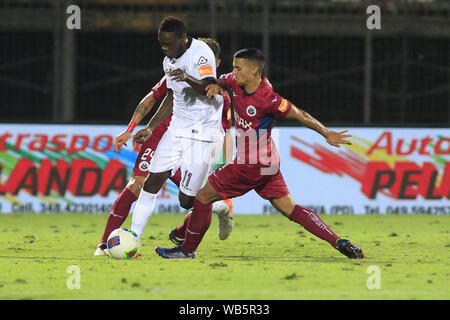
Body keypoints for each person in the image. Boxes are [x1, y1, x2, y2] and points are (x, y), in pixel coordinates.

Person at [155, 48, 364, 259]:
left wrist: (326, 133)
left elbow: (300, 114)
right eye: (233, 67)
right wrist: (213, 86)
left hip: (249, 165)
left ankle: (186, 249)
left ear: (254, 69)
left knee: (201, 197)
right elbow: (220, 81)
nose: (233, 71)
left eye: (238, 68)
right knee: (290, 209)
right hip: (269, 165)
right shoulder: (234, 81)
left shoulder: (268, 98)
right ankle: (339, 242)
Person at [93, 35, 234, 256]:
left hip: (198, 145)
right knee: (138, 185)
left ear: (215, 63)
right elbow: (153, 97)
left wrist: (220, 160)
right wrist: (133, 129)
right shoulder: (174, 73)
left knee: (192, 200)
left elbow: (224, 131)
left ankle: (217, 209)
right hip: (164, 135)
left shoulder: (219, 94)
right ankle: (106, 244)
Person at [127, 17, 231, 246]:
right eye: (161, 44)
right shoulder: (169, 61)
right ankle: (133, 237)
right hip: (177, 130)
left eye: (169, 44)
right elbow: (172, 97)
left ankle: (221, 207)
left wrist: (186, 76)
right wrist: (151, 127)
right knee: (152, 182)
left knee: (186, 200)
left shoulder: (201, 53)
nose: (165, 48)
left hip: (204, 135)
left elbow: (209, 89)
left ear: (183, 39)